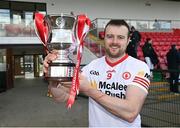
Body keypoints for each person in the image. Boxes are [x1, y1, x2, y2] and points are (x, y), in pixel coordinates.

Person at [44, 20, 150, 127]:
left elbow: (130, 112)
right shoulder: (92, 66)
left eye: (120, 37)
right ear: (104, 39)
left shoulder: (139, 67)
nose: (114, 41)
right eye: (110, 36)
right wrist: (54, 77)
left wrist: (89, 90)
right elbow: (61, 97)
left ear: (128, 41)